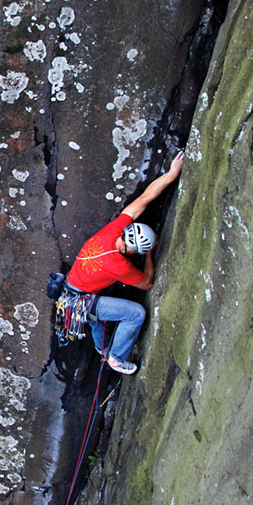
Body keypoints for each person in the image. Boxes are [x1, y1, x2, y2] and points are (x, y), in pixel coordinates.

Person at [65, 150, 184, 374]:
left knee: (96, 318)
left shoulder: (113, 231)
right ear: (133, 249)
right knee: (135, 313)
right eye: (138, 252)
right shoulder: (119, 265)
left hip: (72, 294)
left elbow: (144, 199)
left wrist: (171, 175)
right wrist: (150, 254)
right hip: (82, 301)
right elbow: (146, 283)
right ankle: (116, 358)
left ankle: (103, 350)